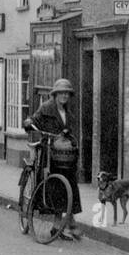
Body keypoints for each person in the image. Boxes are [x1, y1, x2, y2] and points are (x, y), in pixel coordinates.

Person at [30, 78, 83, 240]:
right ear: (55, 94)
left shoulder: (68, 112)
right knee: (56, 188)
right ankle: (62, 225)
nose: (64, 96)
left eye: (67, 93)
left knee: (69, 186)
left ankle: (64, 224)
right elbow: (34, 120)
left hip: (65, 156)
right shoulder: (46, 108)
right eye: (61, 93)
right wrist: (28, 123)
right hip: (49, 154)